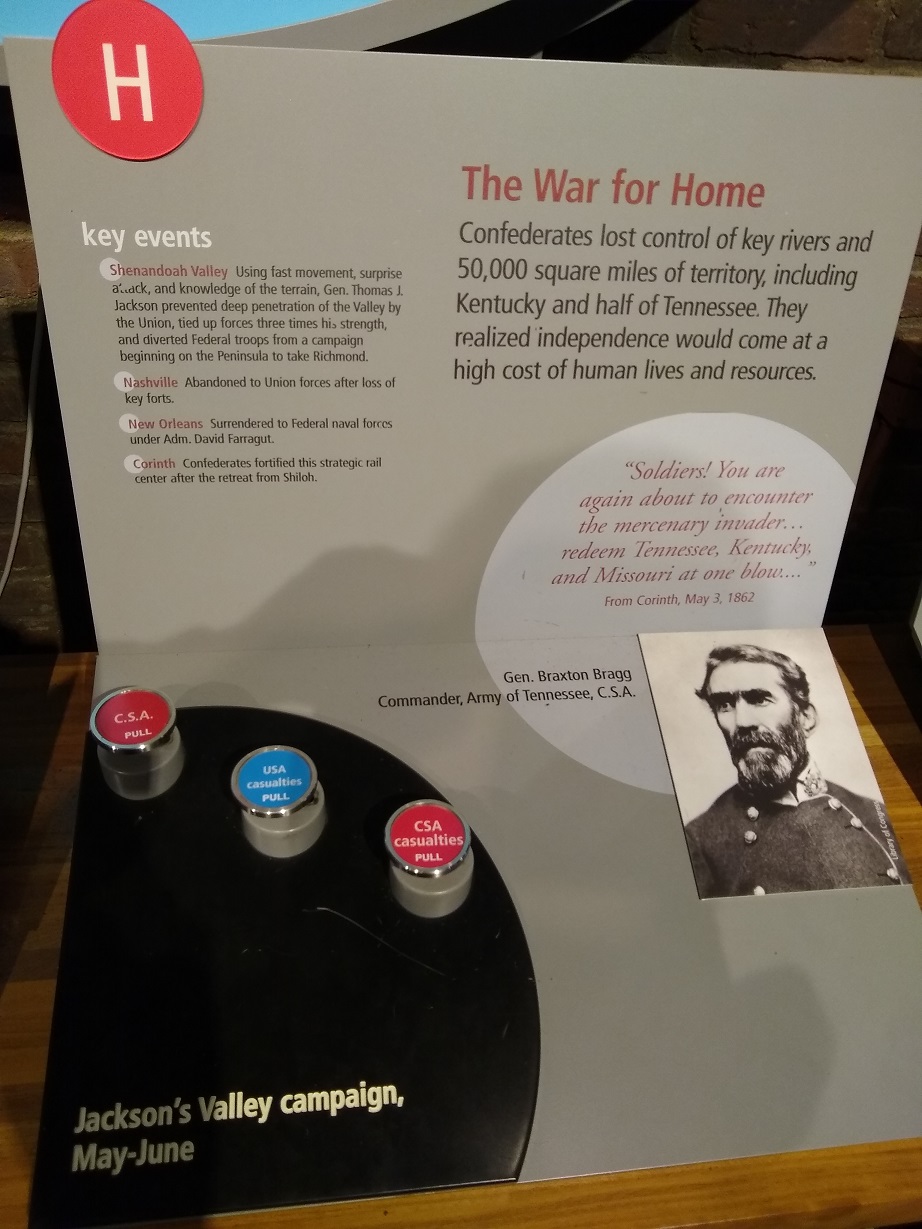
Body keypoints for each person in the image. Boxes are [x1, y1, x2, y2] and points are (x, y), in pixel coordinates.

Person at [684, 643, 909, 899]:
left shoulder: (875, 814)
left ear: (805, 718)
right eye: (724, 705)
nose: (742, 721)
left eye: (759, 699)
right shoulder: (699, 841)